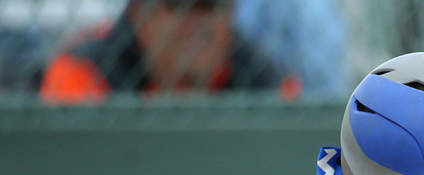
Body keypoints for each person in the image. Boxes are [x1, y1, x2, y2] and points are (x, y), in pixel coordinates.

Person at [38, 0, 299, 103]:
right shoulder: (84, 71)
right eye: (178, 6)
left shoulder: (264, 77)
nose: (198, 24)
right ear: (140, 14)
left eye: (210, 7)